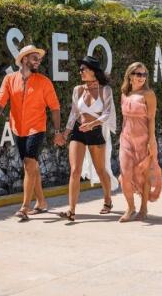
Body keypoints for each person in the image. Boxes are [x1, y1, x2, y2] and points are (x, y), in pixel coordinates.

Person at [0, 45, 64, 222]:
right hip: (18, 128)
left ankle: (25, 207)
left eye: (39, 58)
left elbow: (55, 108)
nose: (38, 61)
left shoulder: (44, 82)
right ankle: (42, 201)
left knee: (29, 163)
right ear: (24, 60)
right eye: (35, 58)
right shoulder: (9, 79)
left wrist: (57, 131)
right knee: (31, 166)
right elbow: (0, 102)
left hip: (37, 128)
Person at [58, 56, 118, 222]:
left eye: (83, 69)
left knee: (101, 169)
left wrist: (93, 124)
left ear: (93, 71)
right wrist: (65, 132)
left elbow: (107, 113)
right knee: (75, 170)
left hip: (96, 131)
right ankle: (71, 210)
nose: (80, 72)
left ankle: (107, 200)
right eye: (80, 69)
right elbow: (74, 113)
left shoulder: (105, 89)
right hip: (78, 131)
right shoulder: (78, 89)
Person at [118, 62, 162, 222]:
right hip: (126, 139)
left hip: (143, 139)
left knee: (144, 175)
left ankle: (143, 208)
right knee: (124, 175)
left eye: (144, 75)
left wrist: (151, 140)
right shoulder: (124, 93)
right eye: (138, 74)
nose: (141, 78)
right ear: (130, 76)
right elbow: (124, 119)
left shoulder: (148, 94)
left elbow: (151, 119)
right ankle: (130, 207)